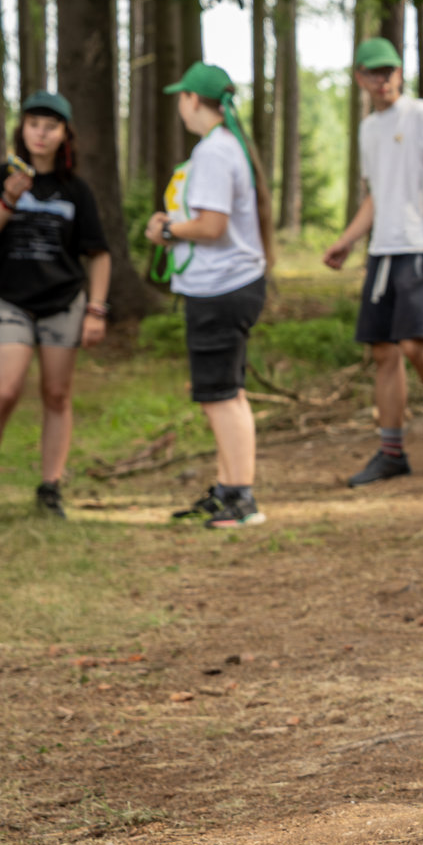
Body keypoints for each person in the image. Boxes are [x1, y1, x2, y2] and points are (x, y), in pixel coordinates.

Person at [322, 37, 423, 487]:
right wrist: (347, 240)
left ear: (400, 72)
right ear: (360, 78)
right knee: (383, 351)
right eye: (374, 73)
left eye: (389, 71)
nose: (383, 80)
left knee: (414, 344)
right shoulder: (368, 130)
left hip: (421, 245)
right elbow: (377, 195)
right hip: (383, 250)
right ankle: (391, 452)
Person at [0, 92, 110, 522]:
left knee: (57, 394)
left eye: (51, 126)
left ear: (64, 135)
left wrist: (96, 310)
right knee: (3, 392)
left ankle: (50, 488)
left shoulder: (75, 189)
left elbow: (99, 254)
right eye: (34, 123)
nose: (41, 133)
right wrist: (7, 201)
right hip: (11, 300)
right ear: (22, 129)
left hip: (63, 302)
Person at [151, 62, 275, 529]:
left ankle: (241, 498)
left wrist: (167, 230)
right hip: (226, 286)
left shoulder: (213, 152)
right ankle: (227, 489)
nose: (179, 107)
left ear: (192, 100)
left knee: (220, 397)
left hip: (221, 289)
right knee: (224, 393)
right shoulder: (224, 147)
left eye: (181, 98)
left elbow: (211, 225)